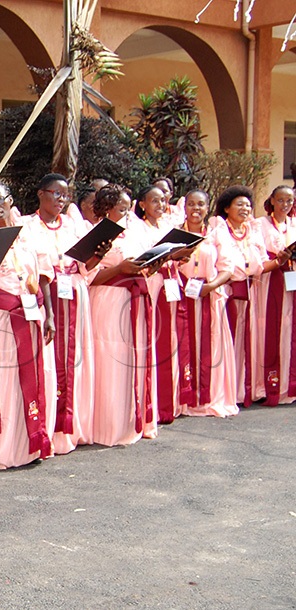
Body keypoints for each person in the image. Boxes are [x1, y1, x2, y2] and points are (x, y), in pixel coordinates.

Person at [0, 187, 55, 469]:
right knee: (6, 384)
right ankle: (3, 449)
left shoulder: (27, 235)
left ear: (10, 201)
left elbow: (42, 277)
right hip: (2, 318)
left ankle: (31, 441)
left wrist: (49, 314)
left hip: (30, 315)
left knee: (31, 379)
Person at [25, 173, 109, 453]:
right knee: (51, 362)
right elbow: (36, 270)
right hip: (48, 295)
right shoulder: (28, 226)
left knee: (76, 359)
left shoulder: (73, 226)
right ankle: (50, 427)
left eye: (65, 195)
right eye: (56, 193)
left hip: (74, 291)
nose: (61, 199)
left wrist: (98, 254)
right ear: (41, 194)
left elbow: (85, 263)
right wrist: (47, 312)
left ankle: (72, 427)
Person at [88, 184, 157, 446]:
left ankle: (133, 419)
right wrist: (120, 268)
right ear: (106, 209)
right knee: (110, 360)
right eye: (121, 209)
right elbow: (90, 277)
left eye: (128, 209)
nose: (126, 214)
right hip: (108, 298)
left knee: (131, 358)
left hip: (133, 298)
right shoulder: (95, 234)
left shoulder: (132, 233)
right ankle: (109, 425)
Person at [213, 185, 285, 407]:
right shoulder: (218, 230)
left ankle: (246, 388)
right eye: (239, 204)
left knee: (249, 339)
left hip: (251, 290)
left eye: (248, 204)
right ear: (227, 207)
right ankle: (226, 391)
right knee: (228, 340)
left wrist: (280, 260)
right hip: (227, 291)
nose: (245, 208)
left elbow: (262, 263)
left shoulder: (252, 231)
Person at [176, 189, 239, 417]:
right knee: (182, 345)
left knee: (210, 346)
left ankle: (210, 397)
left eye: (200, 204)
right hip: (182, 298)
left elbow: (227, 267)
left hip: (209, 296)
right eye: (191, 204)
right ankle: (184, 398)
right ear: (184, 208)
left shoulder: (216, 233)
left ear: (207, 207)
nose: (196, 209)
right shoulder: (175, 233)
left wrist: (210, 287)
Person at [136, 184, 193, 424]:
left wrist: (181, 257)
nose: (160, 205)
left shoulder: (169, 226)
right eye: (154, 201)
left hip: (171, 285)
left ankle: (174, 400)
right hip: (153, 284)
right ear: (142, 205)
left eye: (163, 201)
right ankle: (156, 404)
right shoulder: (138, 229)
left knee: (173, 341)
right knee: (156, 341)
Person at [255, 185, 296, 405]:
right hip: (270, 279)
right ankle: (267, 384)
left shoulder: (294, 223)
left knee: (290, 329)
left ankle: (290, 385)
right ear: (272, 200)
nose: (285, 205)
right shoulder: (260, 225)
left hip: (292, 279)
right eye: (281, 200)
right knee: (269, 329)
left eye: (289, 201)